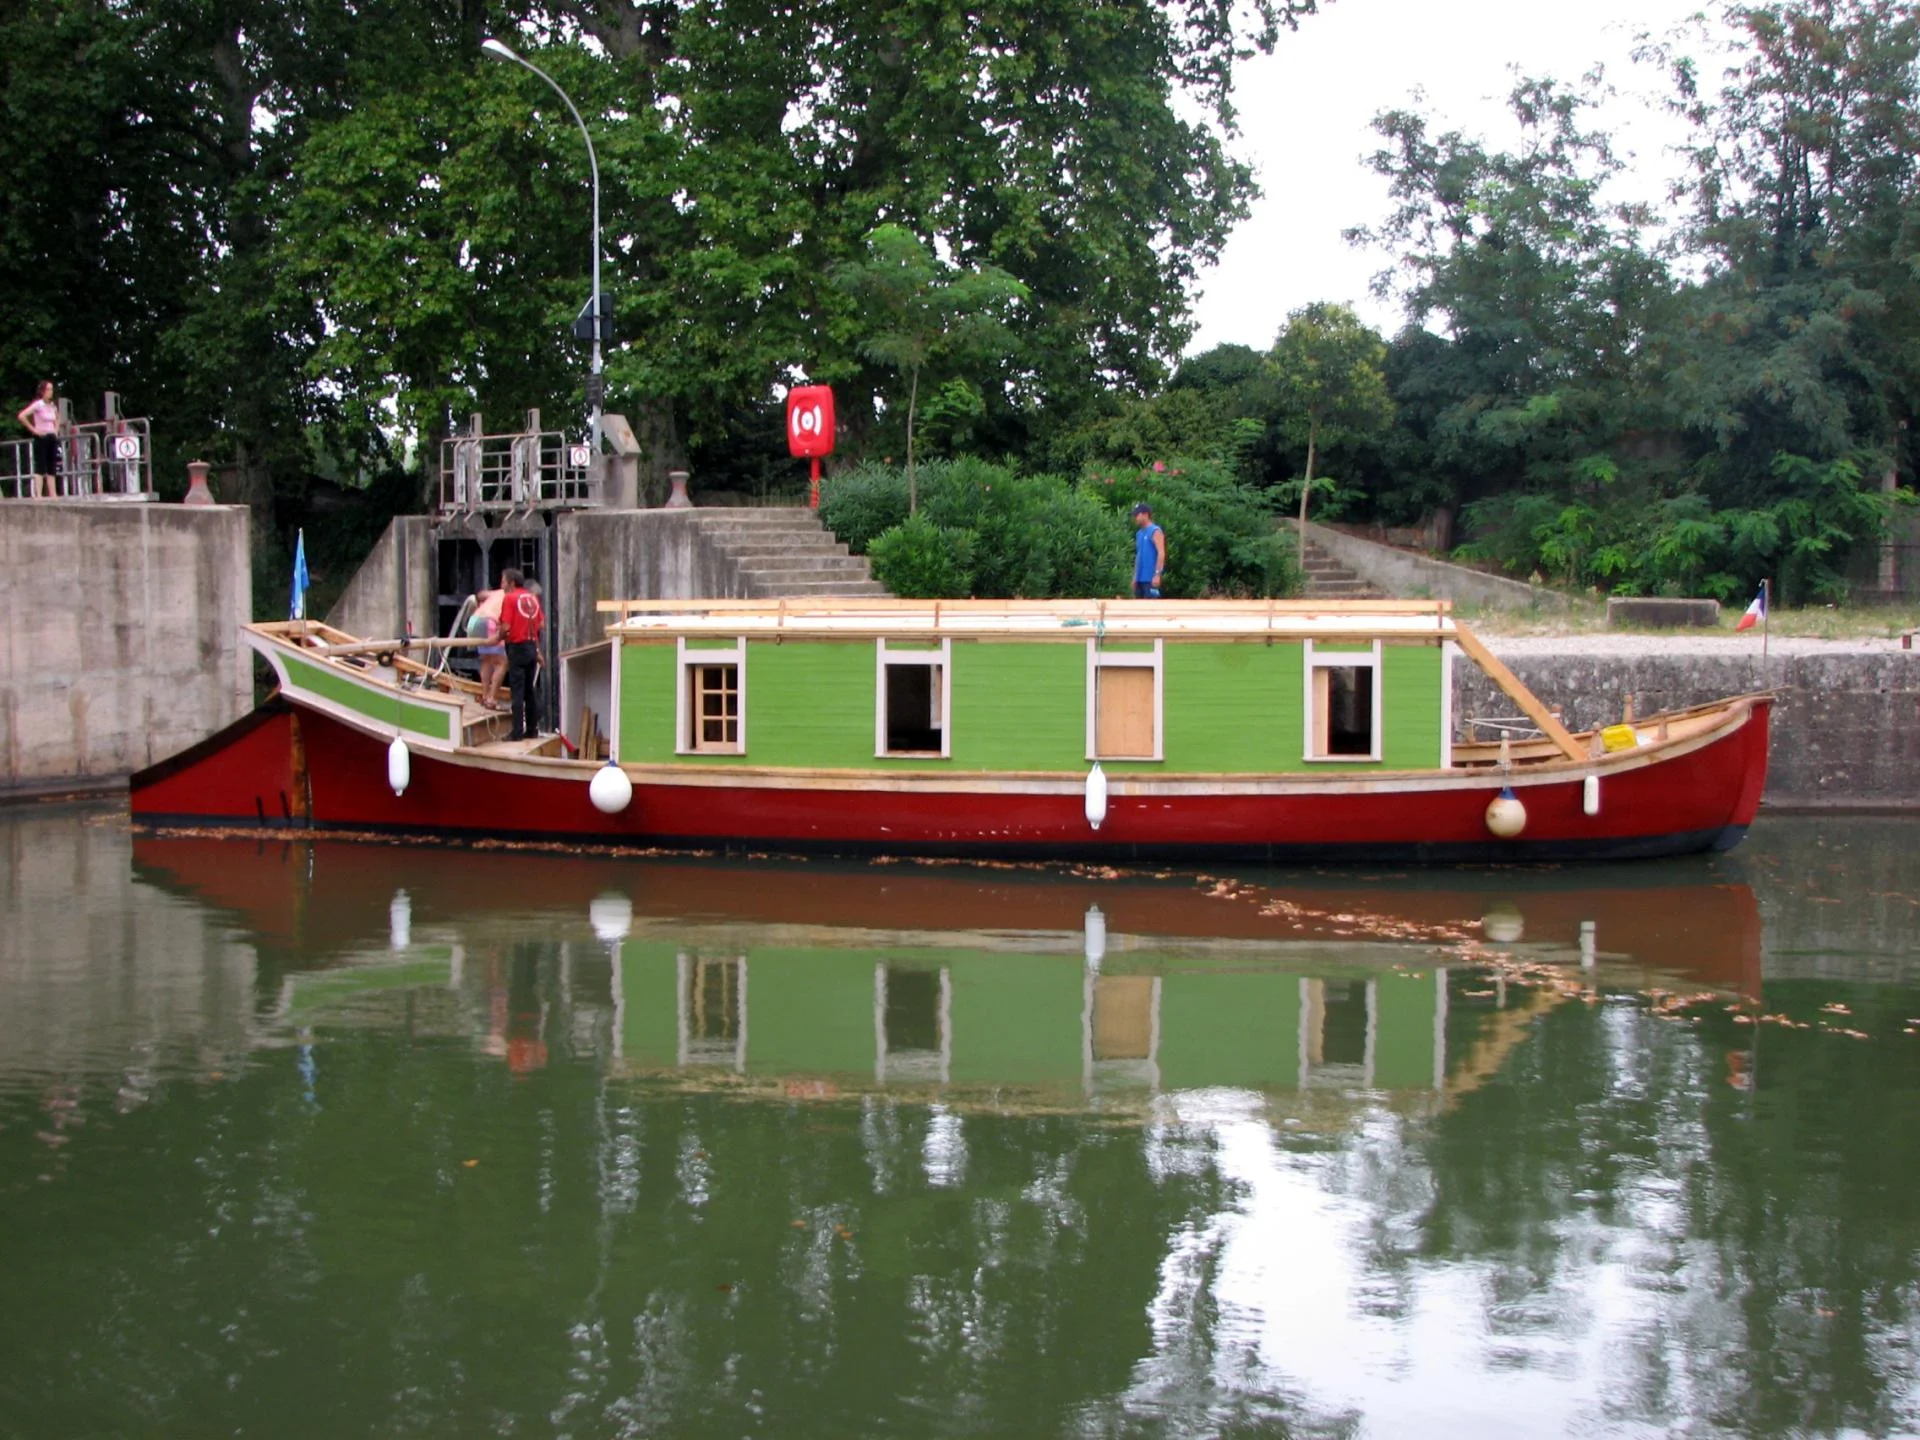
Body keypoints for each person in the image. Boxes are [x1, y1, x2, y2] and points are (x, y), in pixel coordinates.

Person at [498, 568, 546, 741]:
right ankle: (532, 729)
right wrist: (537, 650)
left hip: (517, 647)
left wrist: (497, 638)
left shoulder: (510, 598)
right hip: (531, 647)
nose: (501, 585)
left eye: (503, 581)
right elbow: (540, 624)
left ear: (511, 583)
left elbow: (506, 627)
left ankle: (517, 732)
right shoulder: (531, 598)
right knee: (529, 691)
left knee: (517, 691)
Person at [467, 583, 508, 710]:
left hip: (474, 621)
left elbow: (480, 595)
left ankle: (485, 695)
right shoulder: (511, 596)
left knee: (486, 660)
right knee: (502, 662)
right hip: (490, 622)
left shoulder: (497, 593)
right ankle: (491, 699)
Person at [16, 381, 59, 498]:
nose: (51, 392)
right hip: (41, 436)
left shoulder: (52, 405)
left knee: (52, 465)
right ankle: (38, 495)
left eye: (52, 389)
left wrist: (56, 430)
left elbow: (57, 418)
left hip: (51, 436)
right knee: (40, 465)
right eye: (49, 389)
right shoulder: (38, 405)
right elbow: (22, 416)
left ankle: (53, 494)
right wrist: (34, 429)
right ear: (43, 391)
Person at [1131, 502, 1166, 598]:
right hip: (1140, 579)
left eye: (1137, 515)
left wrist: (1157, 574)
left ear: (1145, 514)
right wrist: (1135, 577)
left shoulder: (1155, 531)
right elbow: (1139, 555)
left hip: (1151, 578)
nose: (1135, 518)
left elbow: (1161, 553)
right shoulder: (1139, 533)